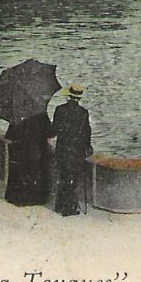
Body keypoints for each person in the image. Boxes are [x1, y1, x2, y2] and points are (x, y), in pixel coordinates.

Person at [51, 84, 93, 216]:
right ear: (79, 98)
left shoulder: (60, 110)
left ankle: (60, 205)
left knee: (63, 176)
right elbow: (86, 132)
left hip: (63, 148)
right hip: (77, 150)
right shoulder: (83, 113)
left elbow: (54, 130)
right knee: (72, 179)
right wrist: (88, 147)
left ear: (69, 96)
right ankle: (69, 207)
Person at [4, 107, 53, 207]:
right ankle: (35, 198)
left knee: (19, 174)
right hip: (36, 149)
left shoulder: (18, 114)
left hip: (20, 149)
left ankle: (18, 198)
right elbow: (49, 132)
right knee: (35, 173)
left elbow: (10, 135)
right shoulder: (41, 113)